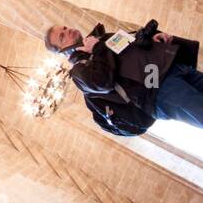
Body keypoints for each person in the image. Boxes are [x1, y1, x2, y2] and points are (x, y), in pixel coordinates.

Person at [45, 19, 203, 135]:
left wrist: (152, 40)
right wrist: (97, 48)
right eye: (62, 37)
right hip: (157, 90)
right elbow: (103, 82)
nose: (68, 31)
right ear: (62, 51)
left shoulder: (101, 37)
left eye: (65, 28)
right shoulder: (79, 70)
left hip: (170, 68)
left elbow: (132, 49)